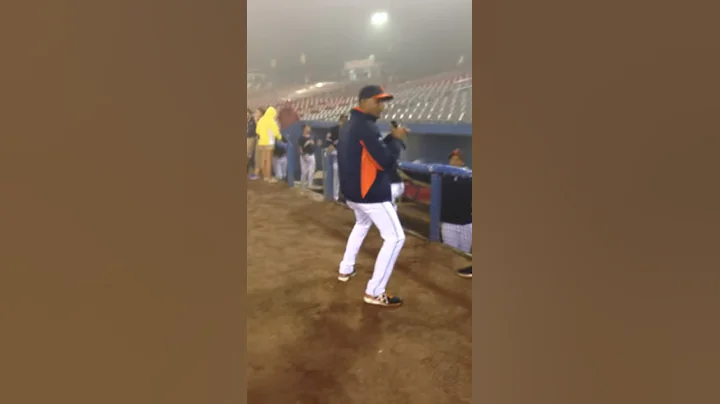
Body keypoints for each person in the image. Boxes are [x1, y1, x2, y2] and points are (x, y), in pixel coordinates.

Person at [337, 85, 406, 308]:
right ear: (364, 101)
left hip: (352, 193)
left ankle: (346, 268)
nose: (382, 107)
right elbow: (385, 162)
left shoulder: (350, 123)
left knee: (362, 224)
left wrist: (389, 138)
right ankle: (375, 292)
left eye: (383, 102)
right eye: (378, 101)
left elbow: (369, 150)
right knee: (396, 238)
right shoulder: (365, 126)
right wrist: (396, 140)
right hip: (370, 194)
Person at [440, 149, 472, 253]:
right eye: (452, 159)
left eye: (457, 159)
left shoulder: (470, 178)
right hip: (449, 223)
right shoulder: (444, 176)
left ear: (462, 162)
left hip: (467, 223)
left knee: (465, 255)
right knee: (449, 255)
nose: (453, 162)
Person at [383, 121, 409, 210]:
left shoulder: (396, 144)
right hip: (391, 181)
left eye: (394, 128)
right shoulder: (391, 140)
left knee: (387, 205)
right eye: (391, 127)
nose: (391, 129)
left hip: (394, 183)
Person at [254, 106, 283, 182]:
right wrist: (280, 138)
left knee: (263, 160)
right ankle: (269, 177)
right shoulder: (272, 122)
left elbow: (257, 131)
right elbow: (276, 133)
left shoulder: (261, 120)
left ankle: (265, 177)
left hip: (261, 143)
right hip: (269, 143)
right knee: (269, 161)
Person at [325, 114, 347, 200]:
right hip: (335, 155)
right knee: (335, 169)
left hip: (345, 156)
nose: (344, 122)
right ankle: (335, 196)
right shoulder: (333, 129)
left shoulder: (348, 131)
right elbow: (328, 141)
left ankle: (344, 196)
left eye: (345, 121)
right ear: (339, 120)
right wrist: (331, 145)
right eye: (343, 120)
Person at [298, 123, 316, 188]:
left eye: (309, 127)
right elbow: (300, 148)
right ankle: (302, 186)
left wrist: (312, 142)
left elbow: (314, 144)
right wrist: (303, 155)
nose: (309, 128)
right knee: (304, 172)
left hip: (311, 155)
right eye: (307, 127)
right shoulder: (301, 137)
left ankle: (310, 186)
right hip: (304, 156)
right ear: (304, 128)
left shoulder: (312, 136)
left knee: (311, 171)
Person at [247, 108, 258, 180]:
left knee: (249, 155)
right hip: (248, 139)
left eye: (247, 113)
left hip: (251, 139)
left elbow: (252, 131)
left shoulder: (253, 121)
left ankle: (250, 172)